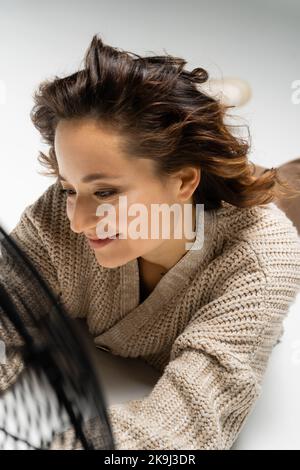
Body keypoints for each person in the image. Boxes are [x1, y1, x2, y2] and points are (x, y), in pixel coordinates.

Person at [1, 34, 300, 450]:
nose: (77, 222)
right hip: (193, 189)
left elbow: (189, 420)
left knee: (287, 192)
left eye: (105, 192)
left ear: (182, 181)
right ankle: (221, 101)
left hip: (276, 216)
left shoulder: (260, 262)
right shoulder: (58, 212)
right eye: (70, 188)